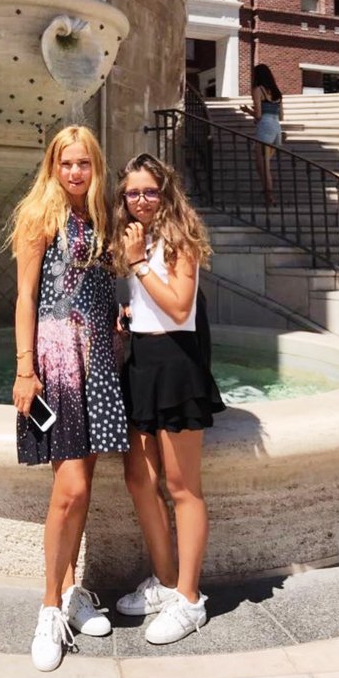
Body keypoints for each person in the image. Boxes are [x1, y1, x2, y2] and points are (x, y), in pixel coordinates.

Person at [7, 125, 129, 672]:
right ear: (53, 166)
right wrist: (24, 369)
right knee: (70, 488)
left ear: (95, 166)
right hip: (57, 358)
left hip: (99, 357)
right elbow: (26, 295)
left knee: (82, 487)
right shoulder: (41, 215)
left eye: (83, 163)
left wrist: (118, 316)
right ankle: (49, 607)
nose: (75, 172)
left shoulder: (101, 216)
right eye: (66, 163)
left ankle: (74, 590)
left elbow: (100, 284)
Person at [110, 152, 224, 646]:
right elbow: (153, 301)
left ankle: (190, 598)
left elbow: (179, 307)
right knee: (140, 478)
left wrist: (138, 263)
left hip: (176, 366)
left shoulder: (180, 237)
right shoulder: (136, 236)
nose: (141, 200)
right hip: (141, 363)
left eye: (149, 191)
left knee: (182, 487)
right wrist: (130, 315)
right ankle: (166, 580)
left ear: (165, 191)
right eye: (132, 192)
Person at [240, 63, 283, 206]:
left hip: (265, 128)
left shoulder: (258, 90)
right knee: (262, 165)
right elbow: (281, 116)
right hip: (276, 128)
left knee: (263, 166)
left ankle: (270, 197)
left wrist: (247, 111)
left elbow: (258, 115)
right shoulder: (277, 93)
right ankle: (267, 193)